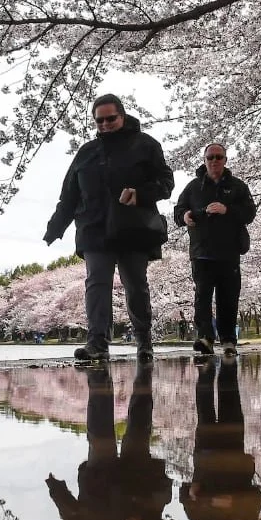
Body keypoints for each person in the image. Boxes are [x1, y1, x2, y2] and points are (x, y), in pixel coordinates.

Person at [45, 94, 175, 363]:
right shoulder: (86, 152)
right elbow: (69, 194)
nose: (104, 124)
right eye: (99, 120)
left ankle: (143, 341)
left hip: (133, 227)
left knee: (135, 285)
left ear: (123, 116)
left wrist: (140, 194)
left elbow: (166, 183)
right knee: (97, 283)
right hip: (94, 228)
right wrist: (56, 227)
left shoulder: (146, 145)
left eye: (110, 119)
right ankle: (97, 344)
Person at [46, 365, 179, 520]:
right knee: (138, 430)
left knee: (100, 434)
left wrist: (58, 492)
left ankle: (99, 379)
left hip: (100, 484)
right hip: (139, 486)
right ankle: (143, 376)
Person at [173, 143, 256, 355]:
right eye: (210, 157)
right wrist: (185, 216)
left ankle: (228, 340)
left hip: (229, 252)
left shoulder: (238, 187)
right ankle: (205, 338)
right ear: (204, 160)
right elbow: (178, 211)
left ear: (225, 160)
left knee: (228, 297)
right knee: (202, 297)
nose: (214, 161)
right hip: (201, 252)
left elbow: (249, 213)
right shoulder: (193, 187)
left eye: (218, 157)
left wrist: (227, 209)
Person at [180, 357, 261, 520]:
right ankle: (228, 364)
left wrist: (192, 492)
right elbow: (257, 496)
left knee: (204, 405)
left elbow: (183, 493)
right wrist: (233, 499)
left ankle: (204, 368)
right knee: (231, 398)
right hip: (233, 450)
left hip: (206, 454)